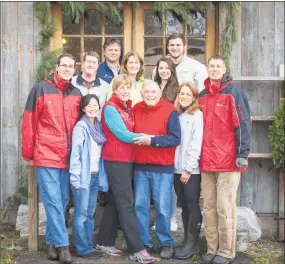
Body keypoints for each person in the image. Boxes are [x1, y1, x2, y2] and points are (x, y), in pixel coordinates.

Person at [21, 54, 82, 264]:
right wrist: (28, 154)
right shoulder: (40, 89)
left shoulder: (77, 93)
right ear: (56, 67)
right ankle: (63, 247)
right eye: (63, 65)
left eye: (71, 66)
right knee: (54, 201)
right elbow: (28, 122)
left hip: (67, 156)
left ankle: (51, 243)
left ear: (75, 69)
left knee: (63, 201)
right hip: (45, 154)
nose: (67, 68)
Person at [95, 74, 156, 264]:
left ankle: (104, 241)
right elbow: (122, 134)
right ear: (115, 89)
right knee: (127, 204)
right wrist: (149, 137)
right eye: (121, 88)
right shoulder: (110, 108)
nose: (125, 91)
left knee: (115, 200)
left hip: (127, 159)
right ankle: (137, 249)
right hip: (116, 160)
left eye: (128, 88)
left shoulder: (127, 107)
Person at [199, 55, 251, 264]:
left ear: (224, 69)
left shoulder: (234, 93)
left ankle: (226, 251)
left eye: (218, 66)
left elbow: (244, 124)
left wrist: (242, 154)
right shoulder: (202, 95)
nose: (214, 69)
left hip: (229, 161)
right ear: (207, 68)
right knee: (209, 207)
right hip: (207, 161)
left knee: (224, 206)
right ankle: (212, 248)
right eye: (211, 66)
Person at [133, 80, 181, 259]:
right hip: (140, 167)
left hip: (162, 168)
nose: (150, 95)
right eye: (147, 92)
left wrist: (152, 141)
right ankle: (144, 243)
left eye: (153, 91)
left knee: (162, 208)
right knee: (140, 207)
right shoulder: (135, 108)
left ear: (159, 92)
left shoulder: (169, 110)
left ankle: (166, 243)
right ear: (142, 93)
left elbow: (175, 138)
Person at [69, 94, 108, 259]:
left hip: (94, 176)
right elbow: (76, 155)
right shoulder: (81, 127)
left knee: (90, 213)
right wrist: (75, 179)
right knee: (81, 214)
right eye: (89, 105)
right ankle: (82, 249)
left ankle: (88, 245)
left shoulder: (98, 126)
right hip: (82, 178)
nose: (93, 108)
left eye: (95, 105)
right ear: (83, 108)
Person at [172, 82, 203, 259]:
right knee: (184, 206)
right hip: (177, 169)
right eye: (181, 94)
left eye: (187, 94)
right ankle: (187, 241)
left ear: (193, 97)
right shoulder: (179, 115)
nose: (183, 96)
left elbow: (195, 144)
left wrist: (189, 169)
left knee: (192, 205)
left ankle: (192, 244)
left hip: (190, 170)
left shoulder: (196, 116)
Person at [152, 57, 180, 231]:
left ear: (172, 71)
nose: (163, 71)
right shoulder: (153, 87)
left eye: (166, 68)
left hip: (169, 137)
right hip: (154, 138)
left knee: (169, 180)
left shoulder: (176, 89)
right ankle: (159, 217)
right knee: (157, 180)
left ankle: (172, 217)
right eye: (160, 68)